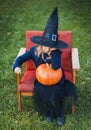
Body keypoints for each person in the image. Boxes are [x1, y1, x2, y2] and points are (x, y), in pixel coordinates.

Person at [13, 7, 78, 126]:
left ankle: (59, 113)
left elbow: (56, 67)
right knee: (42, 92)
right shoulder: (34, 51)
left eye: (51, 46)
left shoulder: (56, 52)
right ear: (41, 43)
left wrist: (54, 51)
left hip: (57, 78)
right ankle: (48, 112)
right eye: (46, 45)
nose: (48, 48)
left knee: (57, 91)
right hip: (41, 79)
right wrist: (16, 66)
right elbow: (21, 58)